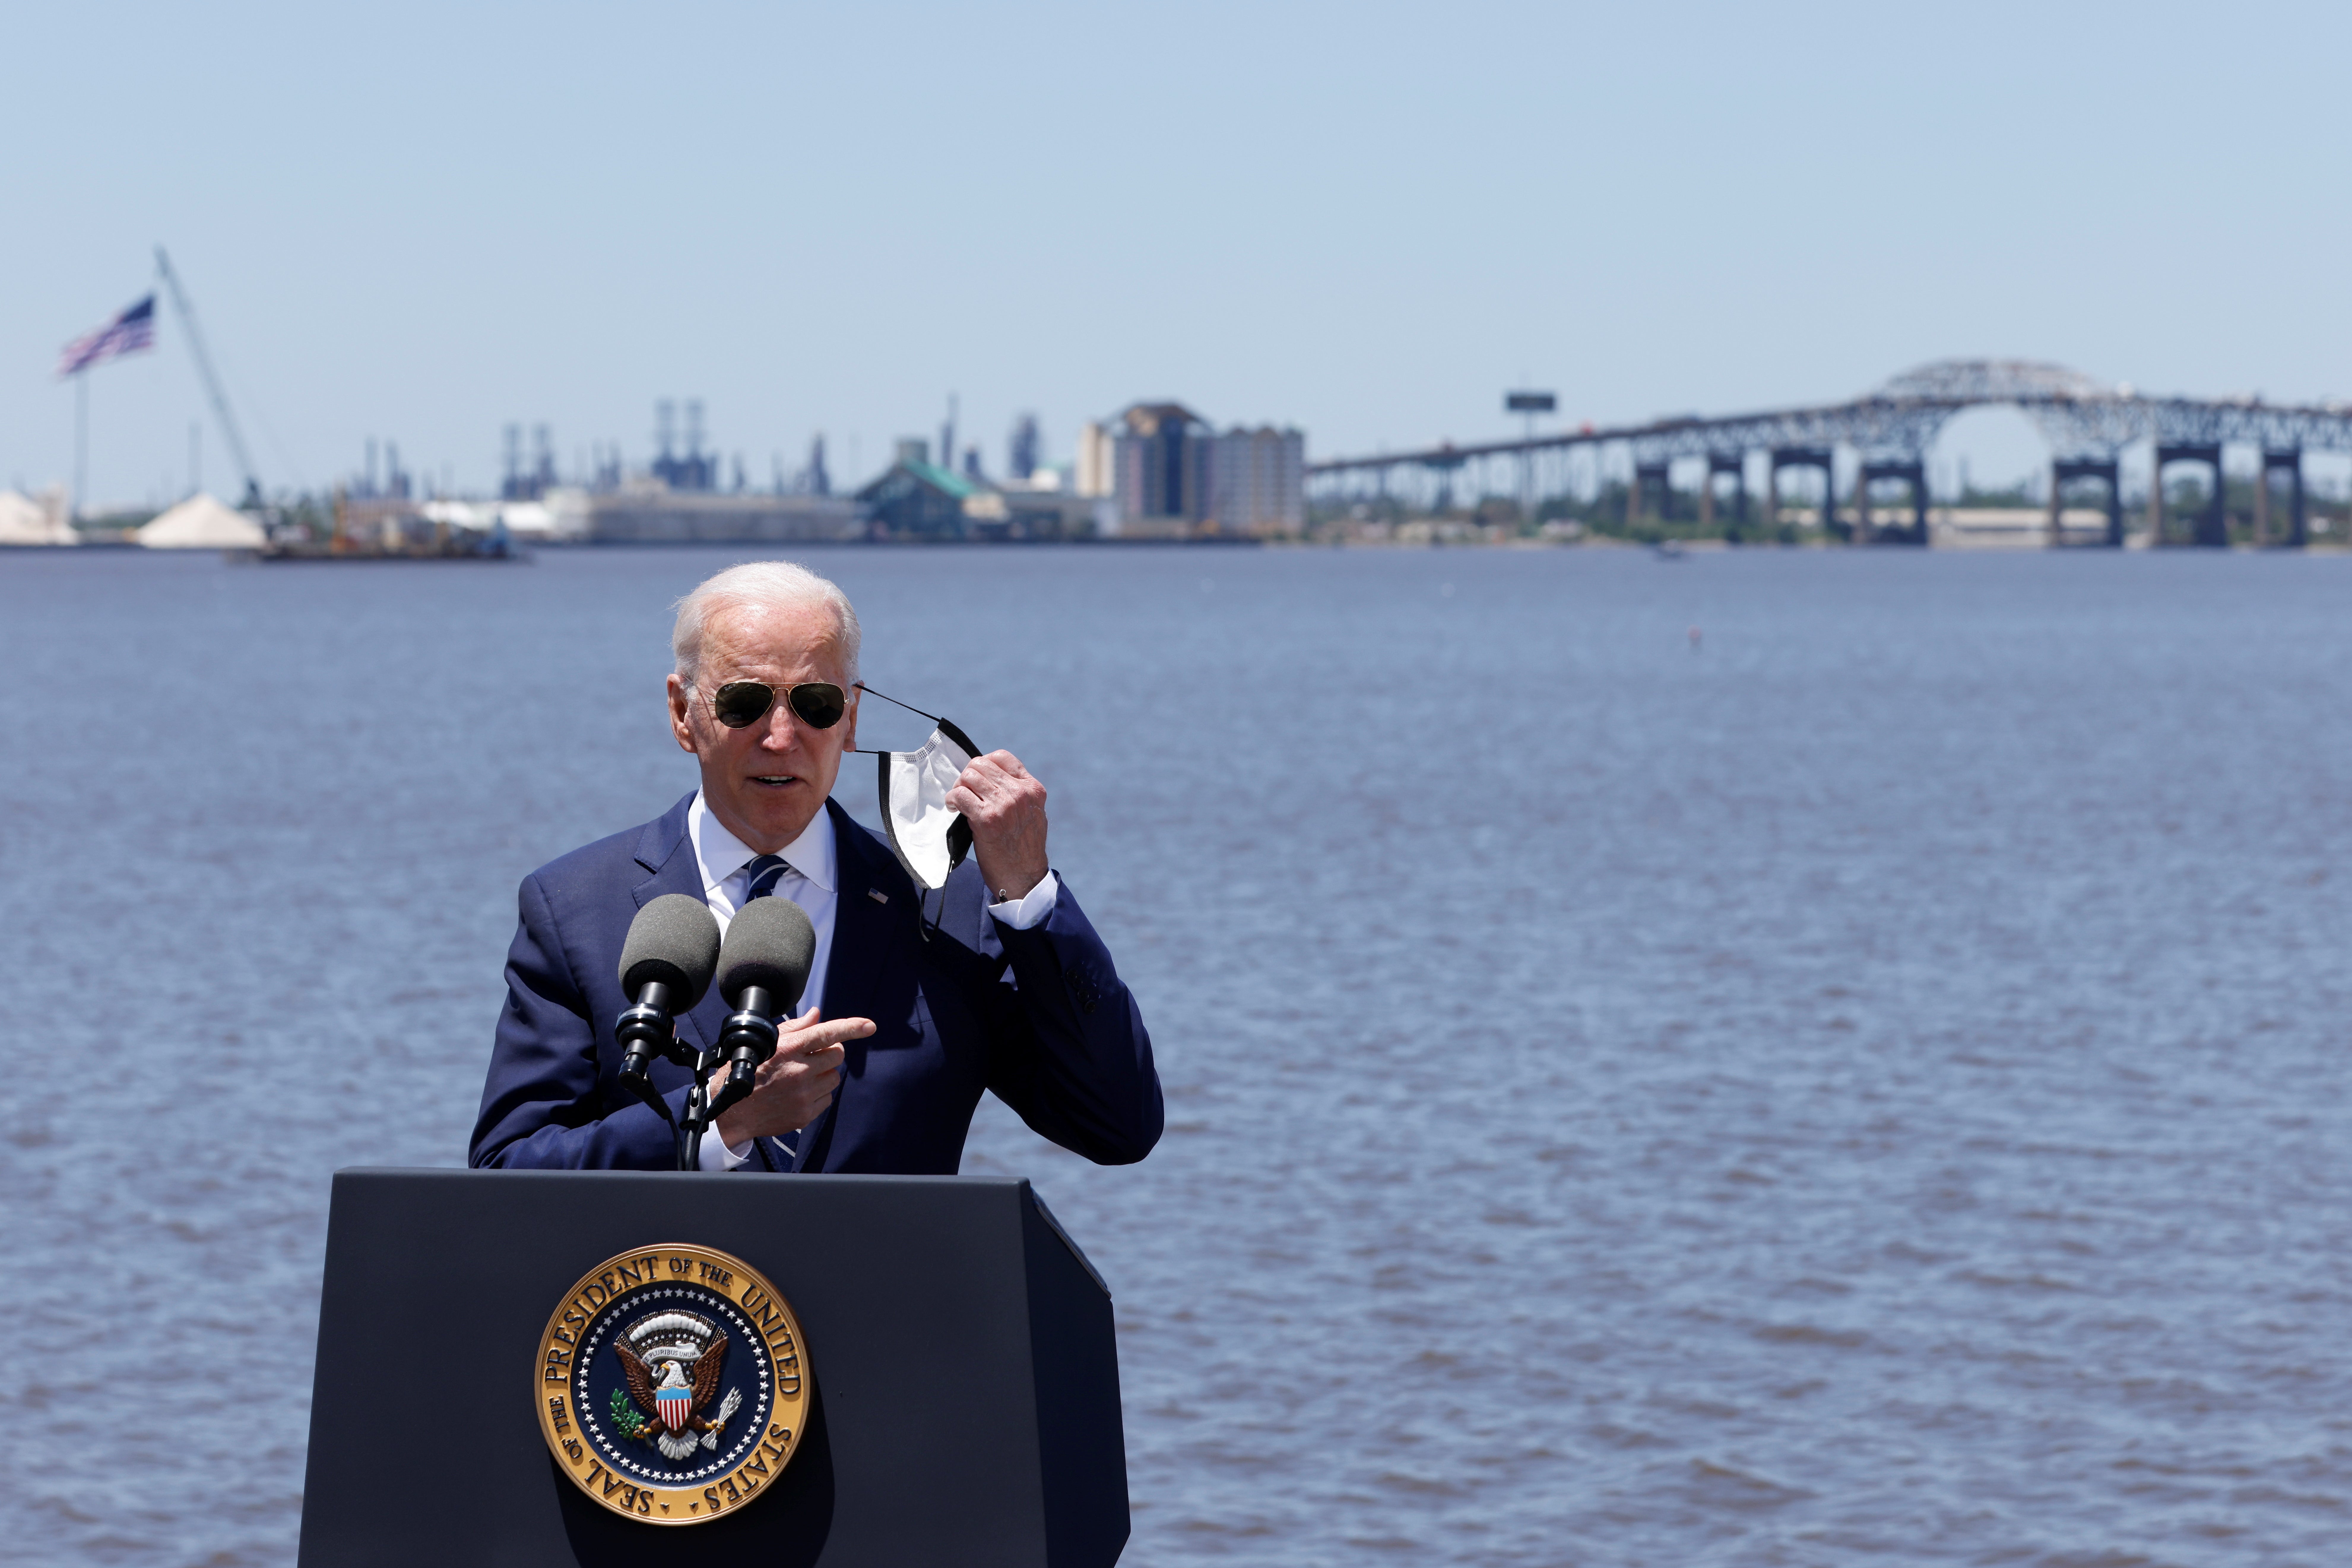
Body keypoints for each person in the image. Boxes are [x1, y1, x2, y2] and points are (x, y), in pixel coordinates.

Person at [468, 560, 1162, 1174]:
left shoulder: (951, 908)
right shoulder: (574, 908)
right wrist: (715, 1121)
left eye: (815, 704)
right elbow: (510, 1170)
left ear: (851, 718)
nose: (781, 738)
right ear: (683, 714)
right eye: (744, 702)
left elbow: (1115, 1126)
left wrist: (1030, 896)